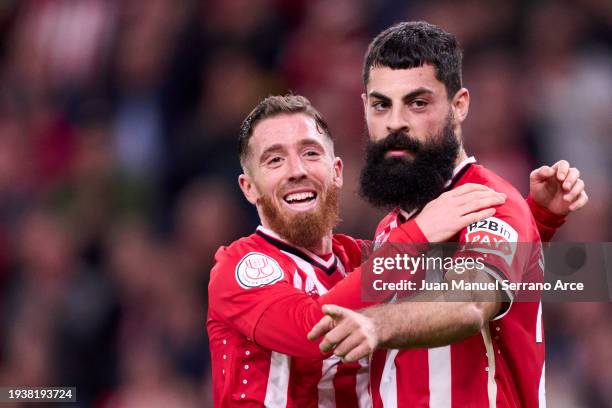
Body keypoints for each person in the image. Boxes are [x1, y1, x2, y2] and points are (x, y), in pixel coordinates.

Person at [207, 94, 586, 406]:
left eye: (310, 153)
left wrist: (535, 217)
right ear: (249, 187)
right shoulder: (239, 267)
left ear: (337, 171)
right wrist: (420, 234)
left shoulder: (361, 260)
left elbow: (485, 274)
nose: (296, 170)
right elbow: (314, 330)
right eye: (274, 159)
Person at [307, 21, 588, 407]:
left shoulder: (490, 202)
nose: (395, 123)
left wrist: (376, 324)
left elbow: (471, 301)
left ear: (459, 106)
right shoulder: (393, 227)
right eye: (381, 104)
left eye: (417, 103)